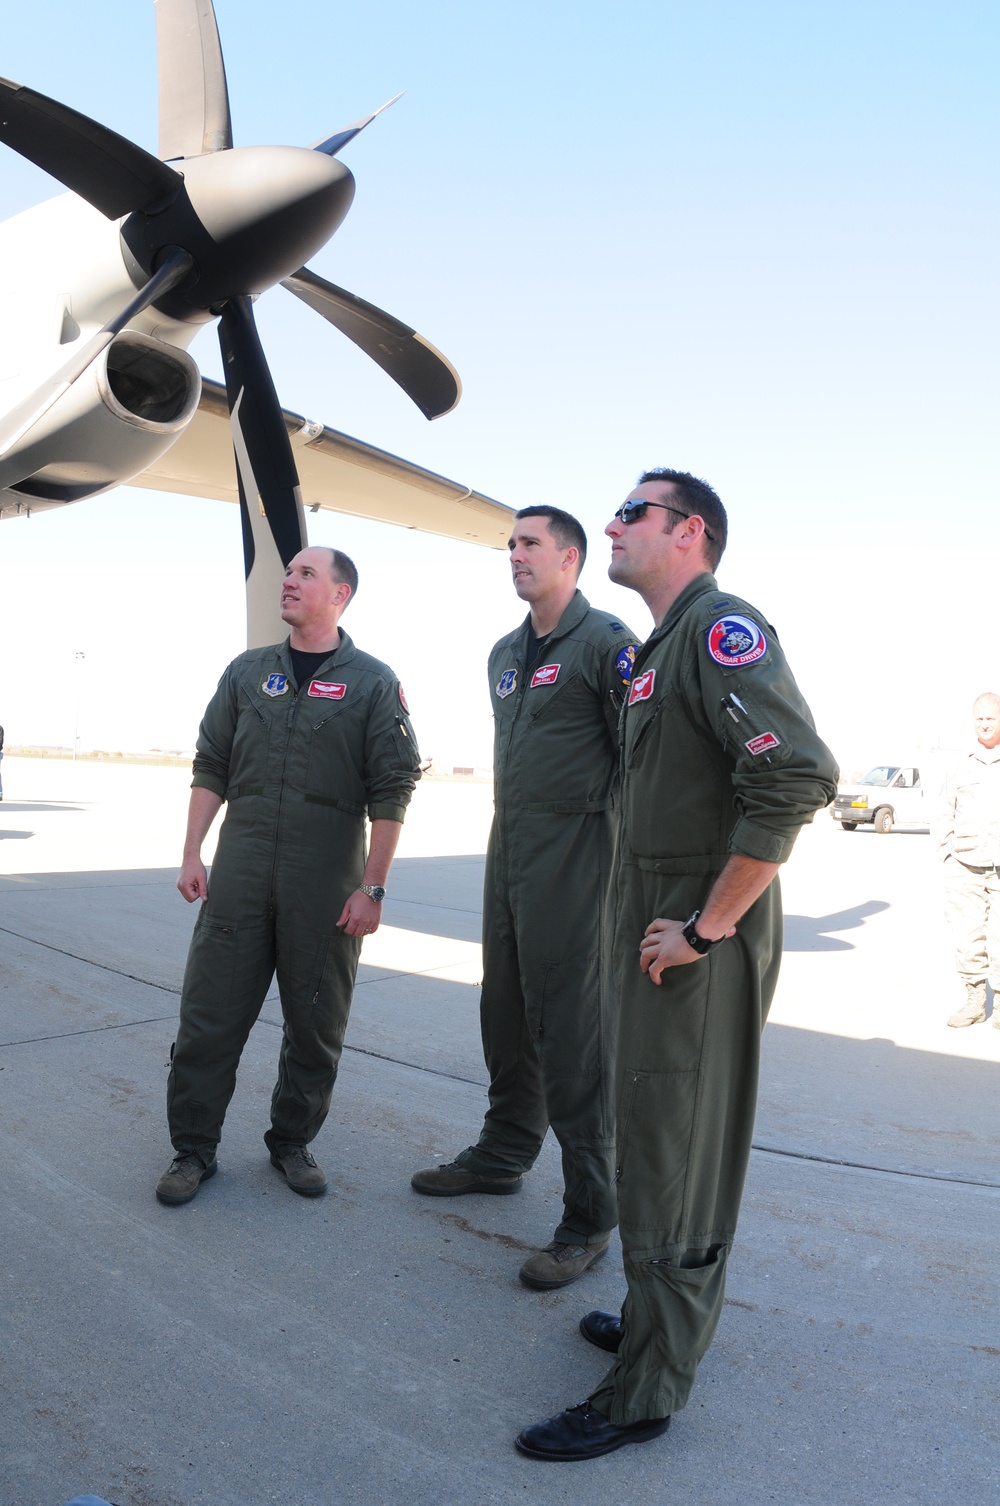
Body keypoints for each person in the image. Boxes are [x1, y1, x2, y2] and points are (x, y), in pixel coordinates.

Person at [515, 469, 838, 1461]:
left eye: (630, 513)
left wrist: (703, 925)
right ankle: (661, 1318)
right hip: (653, 912)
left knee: (674, 1144)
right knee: (648, 1124)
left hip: (693, 930)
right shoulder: (658, 647)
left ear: (689, 532)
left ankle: (645, 1390)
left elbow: (794, 775)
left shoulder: (717, 629)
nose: (609, 525)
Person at [411, 506, 639, 1288]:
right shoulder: (504, 654)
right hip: (510, 849)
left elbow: (640, 758)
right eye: (510, 544)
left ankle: (591, 1215)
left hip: (580, 852)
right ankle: (504, 1154)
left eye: (529, 543)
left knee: (572, 1031)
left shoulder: (608, 644)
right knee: (505, 1010)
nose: (513, 554)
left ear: (569, 558)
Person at [156, 546, 421, 1206]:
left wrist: (373, 886)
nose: (289, 581)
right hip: (241, 869)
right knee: (208, 1018)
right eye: (289, 572)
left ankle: (291, 1142)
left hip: (327, 876)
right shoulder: (248, 674)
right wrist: (193, 851)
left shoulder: (372, 682)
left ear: (341, 595)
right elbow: (211, 764)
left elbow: (392, 789)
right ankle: (193, 1150)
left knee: (316, 1024)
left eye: (306, 574)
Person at [939, 692, 1000, 1028]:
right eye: (980, 718)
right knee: (967, 935)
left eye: (991, 717)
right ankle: (975, 1000)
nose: (985, 723)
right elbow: (943, 811)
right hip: (965, 866)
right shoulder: (960, 763)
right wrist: (946, 854)